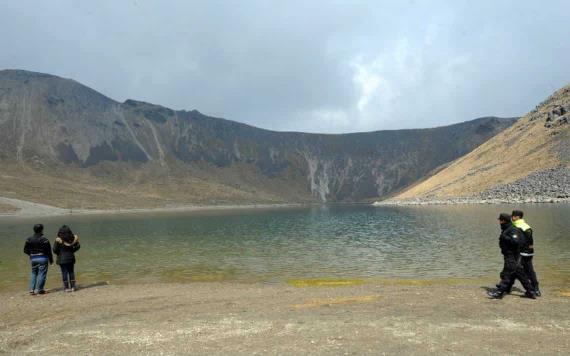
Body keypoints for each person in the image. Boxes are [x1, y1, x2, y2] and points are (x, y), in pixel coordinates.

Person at [488, 213, 536, 299]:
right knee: (519, 274)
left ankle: (500, 292)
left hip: (512, 255)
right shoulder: (507, 229)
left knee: (507, 273)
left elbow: (517, 242)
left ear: (503, 220)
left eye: (500, 220)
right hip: (509, 255)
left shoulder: (512, 230)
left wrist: (505, 237)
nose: (499, 222)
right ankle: (531, 291)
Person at [511, 210, 541, 296]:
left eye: (513, 216)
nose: (512, 218)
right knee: (529, 271)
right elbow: (530, 241)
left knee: (516, 269)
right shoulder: (526, 226)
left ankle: (531, 289)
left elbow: (519, 241)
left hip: (522, 252)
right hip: (529, 252)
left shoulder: (517, 226)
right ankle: (536, 289)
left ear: (517, 217)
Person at [23, 224, 53, 295]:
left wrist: (31, 254)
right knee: (42, 274)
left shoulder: (29, 239)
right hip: (43, 258)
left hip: (33, 259)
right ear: (41, 230)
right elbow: (49, 251)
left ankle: (31, 290)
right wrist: (51, 261)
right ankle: (40, 290)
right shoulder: (45, 240)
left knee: (33, 273)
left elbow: (25, 250)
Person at [53, 225, 81, 292]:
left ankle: (66, 288)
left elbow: (54, 250)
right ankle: (73, 287)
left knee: (64, 272)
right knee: (71, 271)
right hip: (70, 257)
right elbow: (78, 246)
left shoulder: (58, 239)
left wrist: (58, 254)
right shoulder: (72, 238)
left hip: (61, 258)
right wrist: (72, 251)